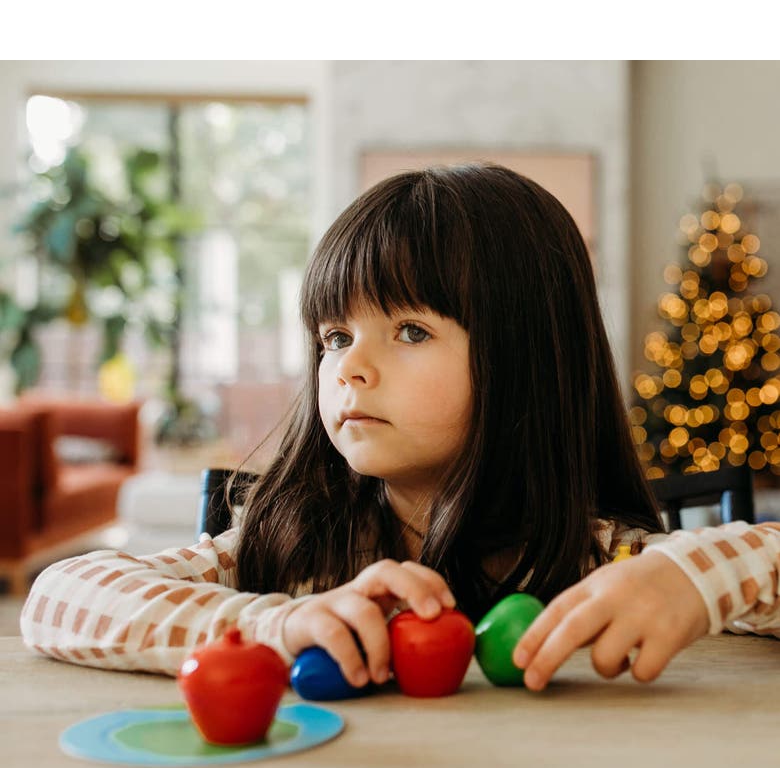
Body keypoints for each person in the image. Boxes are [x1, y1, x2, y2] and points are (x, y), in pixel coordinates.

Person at [20, 164, 780, 689]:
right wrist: (275, 626)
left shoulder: (599, 563)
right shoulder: (289, 548)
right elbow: (59, 598)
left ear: (526, 360)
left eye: (410, 331)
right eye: (334, 338)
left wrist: (696, 577)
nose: (349, 368)